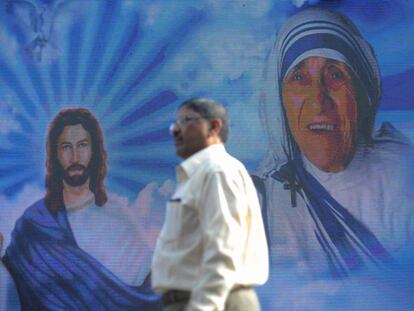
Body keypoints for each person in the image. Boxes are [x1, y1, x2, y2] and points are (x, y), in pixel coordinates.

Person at [254, 7, 414, 278]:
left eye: (336, 75)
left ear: (363, 90)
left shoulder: (403, 177)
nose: (319, 100)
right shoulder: (260, 200)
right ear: (279, 100)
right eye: (299, 78)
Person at [1, 108, 161, 310]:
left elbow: (146, 289)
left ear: (94, 151)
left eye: (83, 145)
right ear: (55, 154)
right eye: (66, 147)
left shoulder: (116, 218)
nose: (75, 156)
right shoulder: (33, 224)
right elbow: (12, 288)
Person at [151, 98, 269, 311]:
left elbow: (224, 250)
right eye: (174, 123)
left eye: (186, 120)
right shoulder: (200, 175)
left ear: (214, 127)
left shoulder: (217, 171)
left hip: (215, 302)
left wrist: (202, 307)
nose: (176, 130)